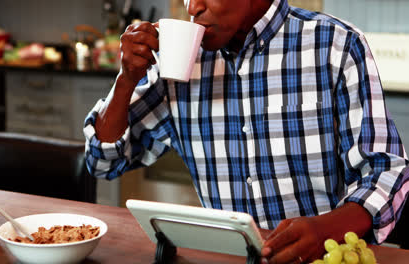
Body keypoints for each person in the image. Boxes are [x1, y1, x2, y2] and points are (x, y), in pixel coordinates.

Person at [84, 0, 409, 263]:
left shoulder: (334, 45)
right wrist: (126, 79)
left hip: (326, 256)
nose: (192, 7)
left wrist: (328, 227)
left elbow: (386, 170)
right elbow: (103, 161)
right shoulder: (181, 59)